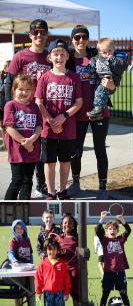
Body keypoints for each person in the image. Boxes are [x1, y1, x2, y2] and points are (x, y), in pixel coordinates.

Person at [4, 19, 53, 197]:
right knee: (23, 159)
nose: (39, 35)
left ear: (47, 35)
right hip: (21, 115)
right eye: (36, 32)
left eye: (43, 32)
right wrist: (11, 110)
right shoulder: (20, 56)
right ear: (30, 35)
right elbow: (9, 83)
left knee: (41, 151)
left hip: (42, 112)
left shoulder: (50, 57)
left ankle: (41, 185)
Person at [68, 25, 114, 199]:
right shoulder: (68, 58)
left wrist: (112, 86)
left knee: (100, 149)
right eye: (77, 37)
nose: (81, 40)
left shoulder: (97, 55)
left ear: (88, 39)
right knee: (76, 149)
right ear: (72, 40)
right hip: (77, 112)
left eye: (84, 37)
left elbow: (112, 78)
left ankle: (103, 187)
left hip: (99, 111)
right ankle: (76, 182)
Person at [35, 39, 83, 200]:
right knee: (49, 162)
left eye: (63, 54)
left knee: (64, 161)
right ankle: (50, 191)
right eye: (56, 54)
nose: (59, 57)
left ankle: (62, 190)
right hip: (48, 130)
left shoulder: (74, 77)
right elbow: (39, 102)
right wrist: (50, 121)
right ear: (50, 57)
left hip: (68, 128)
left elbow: (79, 101)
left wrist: (64, 116)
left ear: (67, 57)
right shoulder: (44, 78)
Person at [4, 74, 42, 199]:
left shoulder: (34, 107)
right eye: (20, 89)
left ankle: (24, 207)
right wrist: (25, 143)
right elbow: (9, 127)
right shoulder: (10, 105)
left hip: (32, 149)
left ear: (32, 91)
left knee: (28, 181)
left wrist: (31, 141)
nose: (24, 92)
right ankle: (7, 208)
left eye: (27, 89)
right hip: (17, 150)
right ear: (14, 90)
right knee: (17, 180)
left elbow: (39, 126)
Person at [80, 38, 128, 120]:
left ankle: (98, 109)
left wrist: (112, 60)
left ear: (114, 49)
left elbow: (122, 66)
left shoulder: (118, 58)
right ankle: (97, 112)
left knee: (101, 91)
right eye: (104, 52)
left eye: (110, 50)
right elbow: (92, 65)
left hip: (110, 79)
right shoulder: (97, 58)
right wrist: (88, 72)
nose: (108, 54)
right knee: (97, 92)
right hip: (100, 78)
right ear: (100, 52)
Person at [96, 211, 130, 306]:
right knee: (105, 295)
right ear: (106, 230)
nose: (112, 231)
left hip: (120, 272)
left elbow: (128, 230)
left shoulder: (121, 239)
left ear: (117, 231)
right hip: (108, 272)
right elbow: (98, 231)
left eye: (115, 229)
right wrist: (102, 219)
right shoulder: (105, 240)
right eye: (110, 229)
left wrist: (122, 220)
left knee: (124, 294)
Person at [35, 238, 71, 306]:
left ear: (57, 250)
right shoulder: (42, 264)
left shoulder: (62, 264)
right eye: (49, 249)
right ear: (46, 250)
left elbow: (66, 279)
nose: (52, 251)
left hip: (59, 292)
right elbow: (38, 279)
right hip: (47, 293)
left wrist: (66, 292)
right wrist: (39, 292)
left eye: (54, 249)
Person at [54, 214, 80, 304]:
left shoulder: (78, 238)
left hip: (75, 270)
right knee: (60, 292)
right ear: (61, 225)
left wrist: (67, 252)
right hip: (61, 270)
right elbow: (53, 255)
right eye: (65, 223)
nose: (67, 225)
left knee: (76, 293)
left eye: (70, 223)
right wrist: (58, 251)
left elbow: (81, 254)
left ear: (74, 225)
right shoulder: (58, 238)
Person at [6, 220, 33, 306]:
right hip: (18, 271)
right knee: (17, 292)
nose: (19, 229)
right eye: (17, 228)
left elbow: (30, 254)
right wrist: (14, 261)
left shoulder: (27, 240)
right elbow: (10, 253)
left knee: (30, 290)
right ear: (14, 229)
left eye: (21, 227)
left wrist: (31, 265)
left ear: (24, 229)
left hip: (28, 270)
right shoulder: (13, 241)